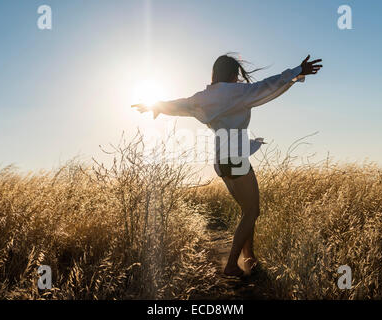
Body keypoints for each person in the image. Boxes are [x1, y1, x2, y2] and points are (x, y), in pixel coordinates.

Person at [132, 54, 322, 277]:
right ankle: (232, 264)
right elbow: (270, 85)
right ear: (233, 74)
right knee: (253, 211)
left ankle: (249, 258)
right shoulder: (238, 93)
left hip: (221, 162)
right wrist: (297, 71)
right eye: (238, 75)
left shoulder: (204, 97)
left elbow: (180, 104)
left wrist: (155, 106)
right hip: (236, 159)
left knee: (247, 211)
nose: (239, 80)